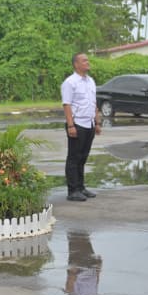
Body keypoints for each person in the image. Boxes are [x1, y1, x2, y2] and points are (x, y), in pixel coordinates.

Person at [61, 53, 101, 201]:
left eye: (87, 60)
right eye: (84, 61)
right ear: (76, 64)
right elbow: (67, 105)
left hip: (89, 124)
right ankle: (72, 190)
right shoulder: (70, 82)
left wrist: (97, 122)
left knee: (83, 157)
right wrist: (71, 125)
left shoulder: (91, 81)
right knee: (74, 157)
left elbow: (94, 103)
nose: (87, 62)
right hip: (77, 124)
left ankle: (81, 187)